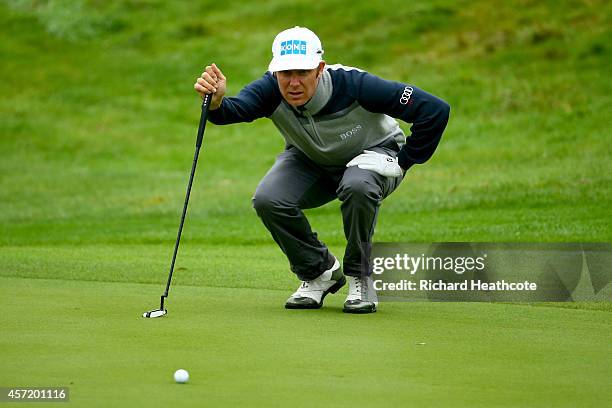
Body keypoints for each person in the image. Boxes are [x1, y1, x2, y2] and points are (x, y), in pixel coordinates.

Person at [194, 26, 450, 313]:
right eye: (285, 73)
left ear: (319, 69)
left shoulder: (355, 85)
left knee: (358, 185)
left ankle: (360, 276)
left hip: (374, 157)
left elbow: (435, 110)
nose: (293, 83)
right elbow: (234, 110)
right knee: (269, 199)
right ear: (275, 71)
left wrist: (402, 162)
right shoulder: (270, 89)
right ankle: (319, 273)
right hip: (311, 160)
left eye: (302, 72)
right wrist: (216, 103)